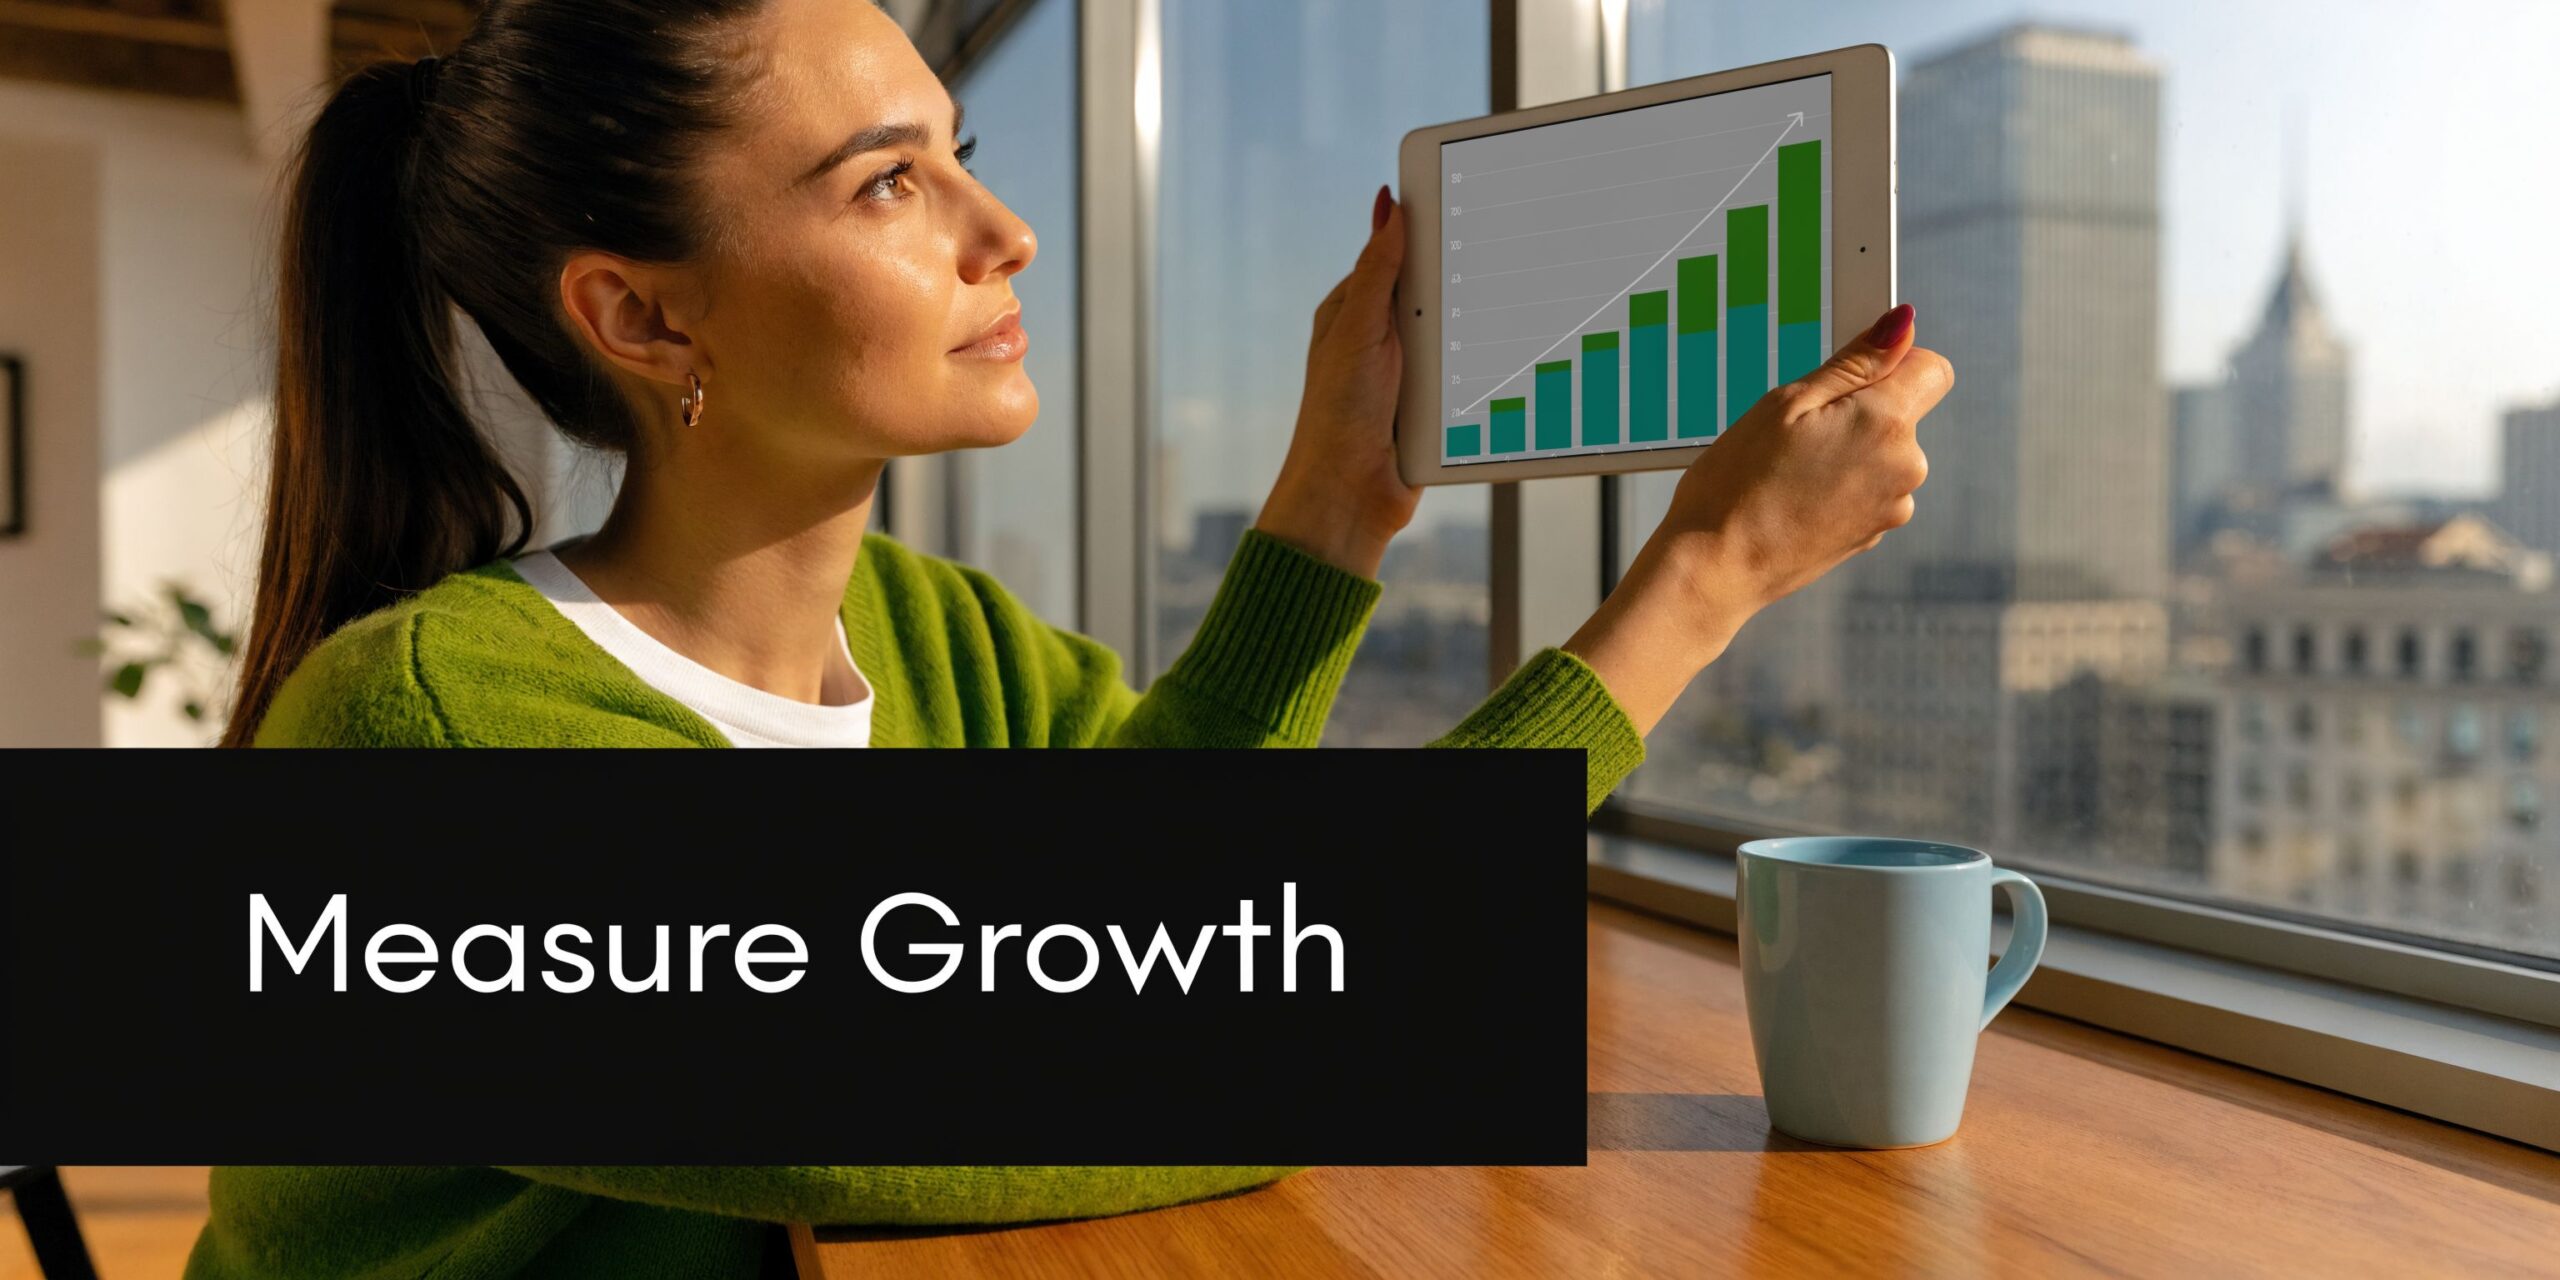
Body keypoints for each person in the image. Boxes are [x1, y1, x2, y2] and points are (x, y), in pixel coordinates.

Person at [197, 0, 1950, 1272]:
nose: (1005, 234)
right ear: (640, 314)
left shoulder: (941, 637)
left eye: (964, 158)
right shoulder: (425, 735)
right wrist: (1697, 584)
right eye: (890, 186)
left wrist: (1333, 506)